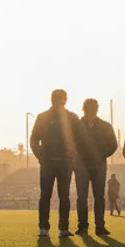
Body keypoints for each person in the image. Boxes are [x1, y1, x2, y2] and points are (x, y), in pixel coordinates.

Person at [29, 89, 83, 238]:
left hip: (66, 163)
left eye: (62, 98)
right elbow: (34, 139)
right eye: (57, 98)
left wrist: (73, 154)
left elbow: (80, 139)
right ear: (52, 100)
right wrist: (40, 154)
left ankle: (63, 228)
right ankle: (43, 228)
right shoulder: (43, 117)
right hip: (47, 162)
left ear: (66, 100)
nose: (60, 101)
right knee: (45, 195)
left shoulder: (72, 118)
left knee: (64, 196)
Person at [74, 98, 118, 236]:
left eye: (93, 107)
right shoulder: (76, 126)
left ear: (97, 109)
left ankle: (99, 226)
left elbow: (113, 144)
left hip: (98, 164)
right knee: (82, 197)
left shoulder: (105, 126)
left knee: (98, 196)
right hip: (82, 165)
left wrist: (101, 155)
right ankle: (83, 226)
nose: (91, 110)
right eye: (88, 107)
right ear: (84, 109)